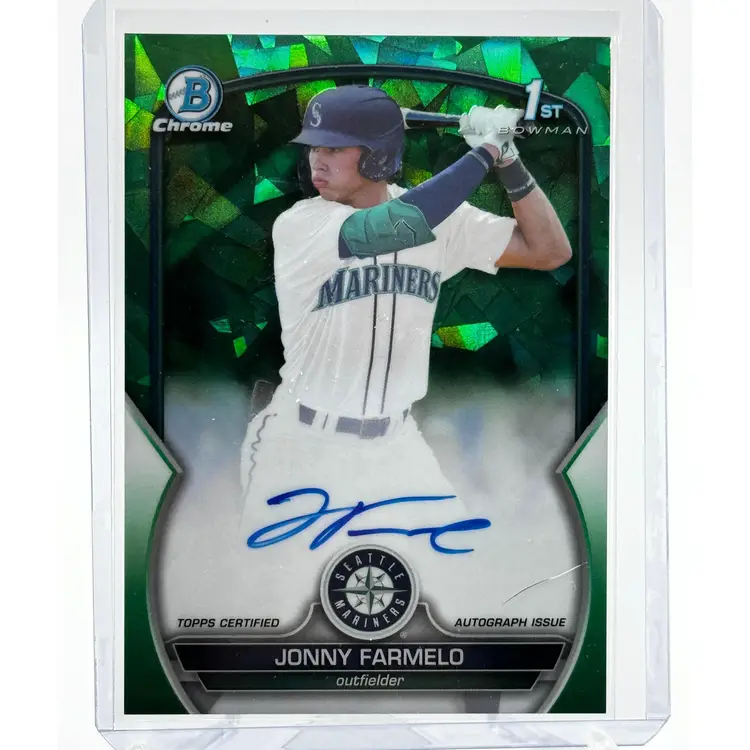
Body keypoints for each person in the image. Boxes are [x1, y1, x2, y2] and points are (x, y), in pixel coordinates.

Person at [236, 84, 572, 626]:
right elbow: (399, 224)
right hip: (302, 440)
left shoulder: (445, 220)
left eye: (335, 147)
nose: (317, 159)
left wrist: (509, 161)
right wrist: (484, 150)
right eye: (315, 146)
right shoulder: (301, 224)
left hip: (396, 444)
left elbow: (549, 250)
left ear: (378, 156)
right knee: (274, 602)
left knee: (467, 584)